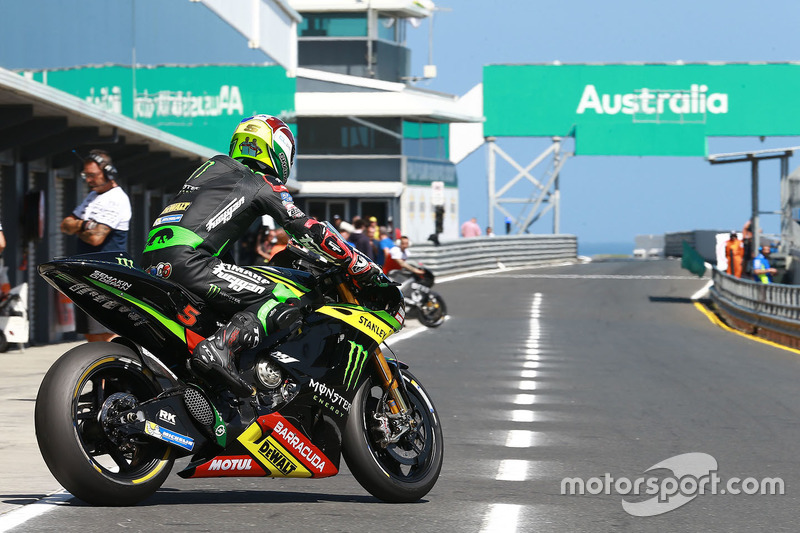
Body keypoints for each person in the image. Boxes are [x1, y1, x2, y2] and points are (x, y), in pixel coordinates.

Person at [141, 114, 383, 396]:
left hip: (153, 262)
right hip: (190, 261)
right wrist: (354, 260)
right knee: (282, 293)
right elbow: (305, 227)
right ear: (278, 149)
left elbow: (212, 233)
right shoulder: (261, 182)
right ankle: (221, 348)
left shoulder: (211, 169)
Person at [60, 150, 131, 342]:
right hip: (86, 274)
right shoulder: (92, 196)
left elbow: (96, 238)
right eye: (86, 175)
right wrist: (85, 224)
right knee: (91, 334)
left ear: (109, 173)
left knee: (109, 334)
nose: (88, 180)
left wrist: (80, 226)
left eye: (92, 175)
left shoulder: (116, 199)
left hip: (107, 275)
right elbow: (65, 225)